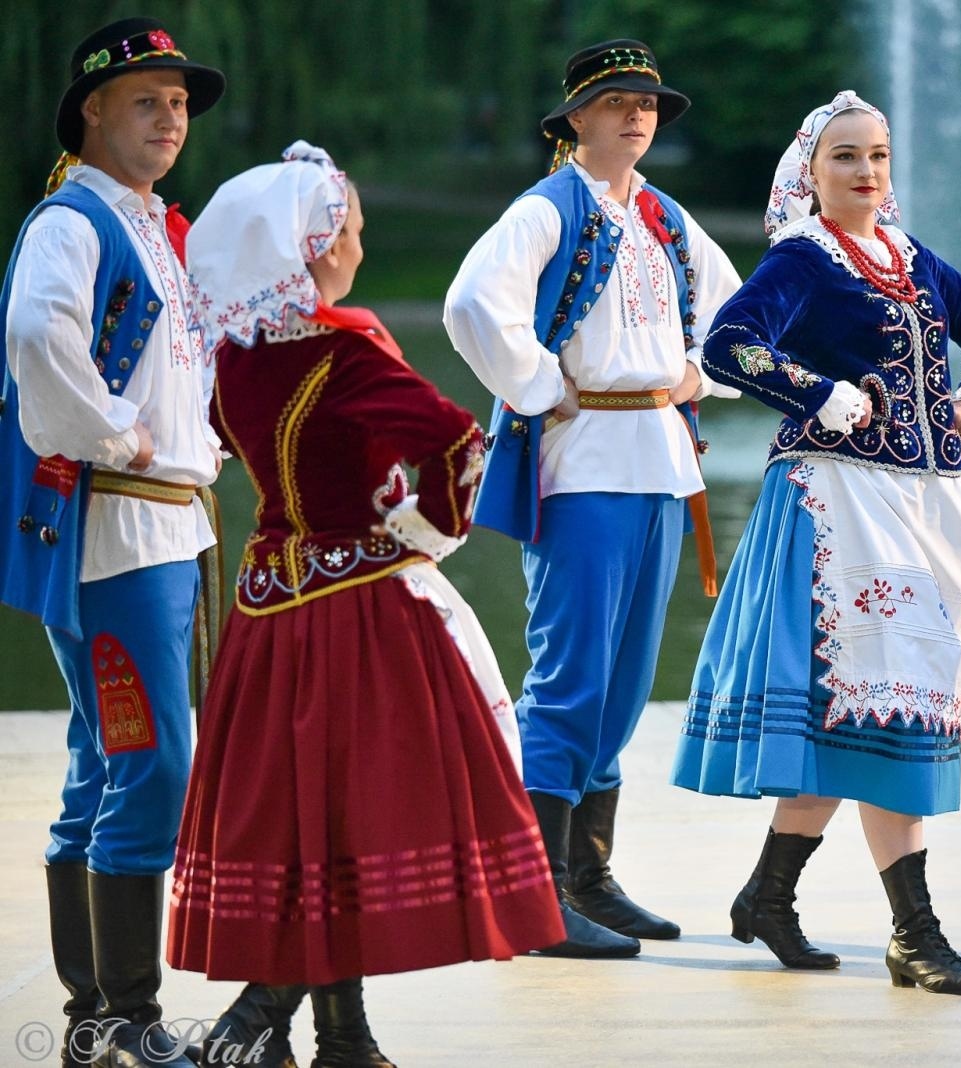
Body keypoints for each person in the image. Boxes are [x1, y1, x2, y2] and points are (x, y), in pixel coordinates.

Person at [167, 143, 565, 1066]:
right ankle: (255, 1020)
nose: (356, 245)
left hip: (268, 609)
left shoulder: (231, 359)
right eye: (347, 230)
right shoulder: (343, 348)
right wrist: (427, 532)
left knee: (311, 818)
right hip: (356, 608)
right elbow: (461, 443)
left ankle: (343, 1038)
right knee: (354, 816)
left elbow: (233, 453)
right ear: (311, 248)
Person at [671, 90, 961, 996]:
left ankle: (767, 897)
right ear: (811, 173)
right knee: (880, 710)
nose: (866, 172)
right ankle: (915, 934)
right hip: (837, 505)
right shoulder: (805, 258)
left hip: (924, 506)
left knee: (870, 712)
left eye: (877, 155)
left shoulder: (911, 259)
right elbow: (727, 346)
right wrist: (815, 392)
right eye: (845, 158)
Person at [444, 39, 741, 959]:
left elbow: (738, 310)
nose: (636, 114)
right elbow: (470, 306)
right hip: (583, 464)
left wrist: (702, 372)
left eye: (648, 101)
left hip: (658, 459)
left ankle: (589, 877)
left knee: (620, 688)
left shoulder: (660, 213)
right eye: (615, 100)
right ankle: (536, 895)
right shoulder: (547, 207)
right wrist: (536, 384)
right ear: (575, 118)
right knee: (569, 679)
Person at [0, 17, 225, 1065]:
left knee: (107, 761)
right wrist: (110, 434)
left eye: (179, 103)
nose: (170, 119)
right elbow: (38, 335)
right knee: (153, 760)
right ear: (93, 109)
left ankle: (95, 1015)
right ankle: (125, 1015)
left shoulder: (150, 225)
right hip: (114, 526)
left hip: (162, 524)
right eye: (147, 100)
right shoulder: (73, 220)